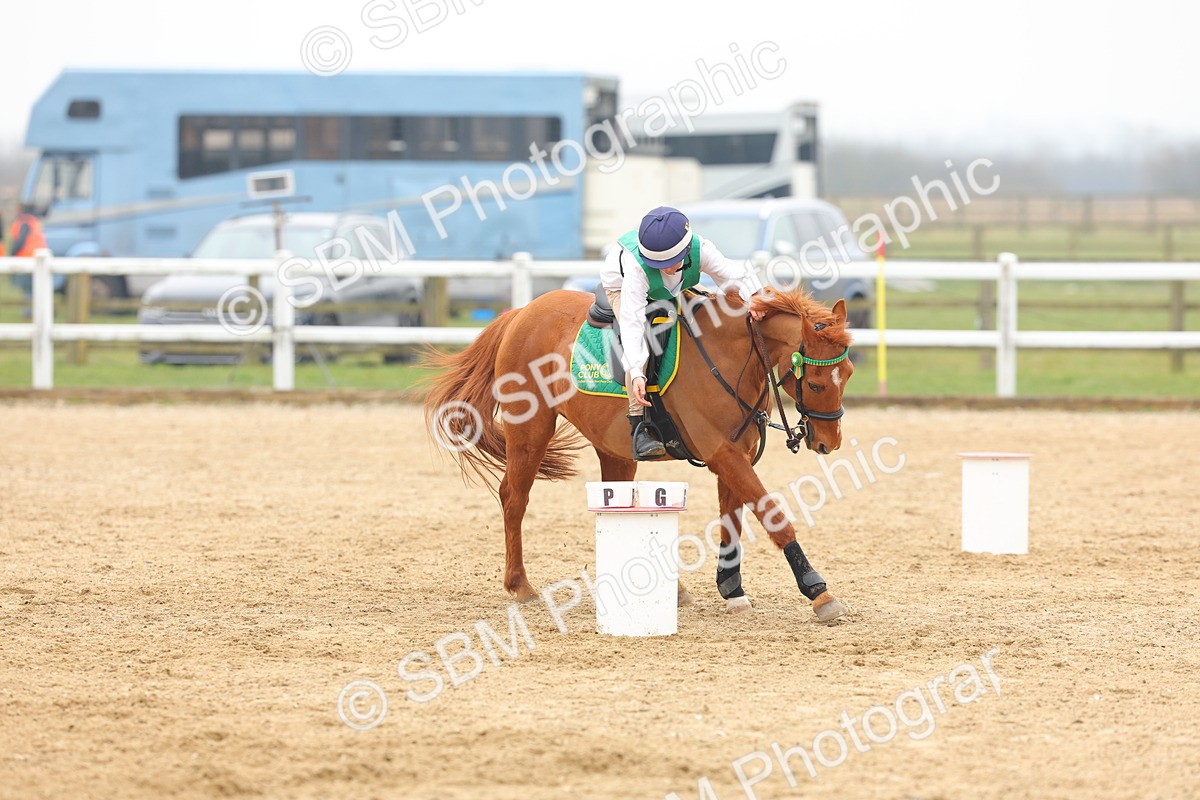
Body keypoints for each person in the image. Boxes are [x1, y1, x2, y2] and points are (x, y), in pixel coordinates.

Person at [600, 205, 765, 461]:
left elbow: (734, 276)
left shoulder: (702, 250)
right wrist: (637, 373)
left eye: (670, 263)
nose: (665, 269)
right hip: (621, 288)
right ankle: (640, 426)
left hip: (669, 291)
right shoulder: (637, 268)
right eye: (659, 264)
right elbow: (632, 322)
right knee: (643, 338)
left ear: (686, 250)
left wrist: (755, 297)